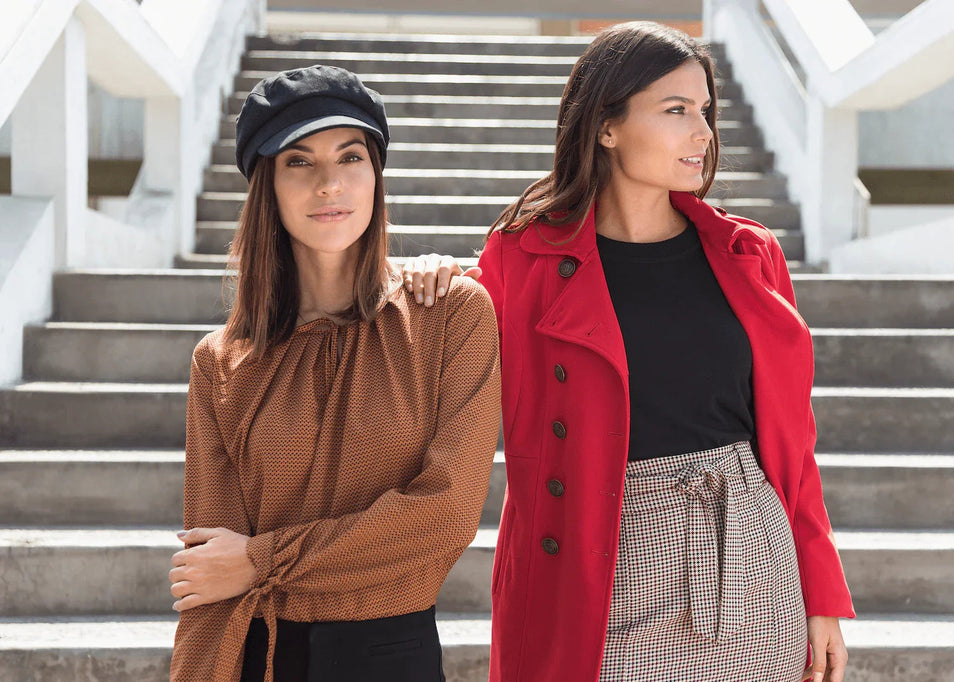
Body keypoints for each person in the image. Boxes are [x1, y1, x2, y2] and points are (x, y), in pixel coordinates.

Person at [403, 21, 854, 682]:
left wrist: (821, 596)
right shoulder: (522, 257)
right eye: (676, 111)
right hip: (597, 560)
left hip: (751, 552)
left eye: (705, 111)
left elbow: (793, 448)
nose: (702, 132)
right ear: (606, 126)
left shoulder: (748, 255)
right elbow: (442, 359)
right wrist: (435, 275)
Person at [167, 65, 501, 682]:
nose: (329, 184)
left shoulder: (450, 317)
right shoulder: (219, 361)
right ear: (266, 185)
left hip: (389, 655)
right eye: (299, 161)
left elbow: (445, 516)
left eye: (350, 157)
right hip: (256, 654)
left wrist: (261, 560)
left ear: (376, 175)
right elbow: (212, 569)